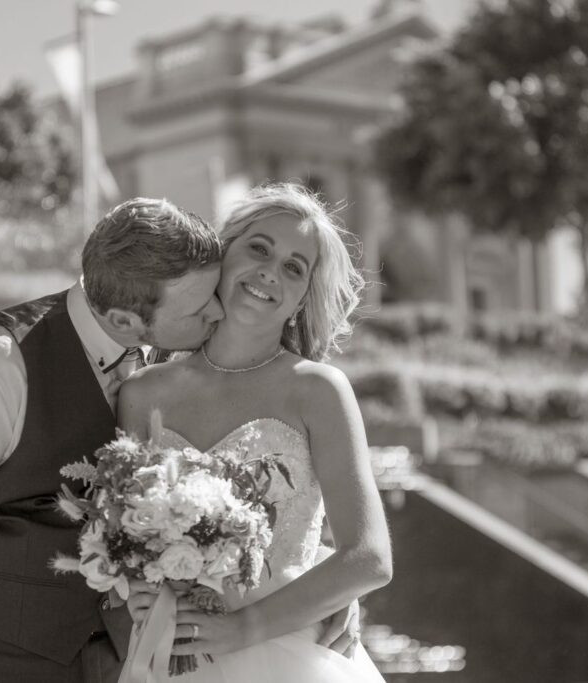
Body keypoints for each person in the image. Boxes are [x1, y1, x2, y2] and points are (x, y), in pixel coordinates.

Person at [0, 196, 359, 683]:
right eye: (198, 307)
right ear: (126, 321)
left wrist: (317, 588)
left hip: (125, 664)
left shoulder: (151, 358)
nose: (215, 311)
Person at [118, 183, 393, 681]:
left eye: (294, 267)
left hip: (287, 657)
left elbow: (370, 558)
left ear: (301, 300)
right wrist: (133, 587)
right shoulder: (141, 394)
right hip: (168, 655)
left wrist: (243, 629)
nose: (270, 270)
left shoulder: (319, 391)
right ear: (223, 254)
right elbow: (123, 534)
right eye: (258, 248)